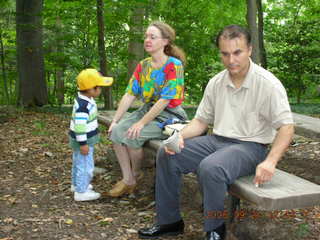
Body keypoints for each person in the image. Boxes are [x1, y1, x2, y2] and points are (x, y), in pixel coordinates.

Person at [138, 25, 295, 240]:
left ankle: (215, 230)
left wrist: (270, 161)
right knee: (166, 153)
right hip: (217, 140)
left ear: (249, 50)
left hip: (251, 147)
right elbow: (201, 122)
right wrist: (178, 137)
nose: (231, 60)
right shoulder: (216, 82)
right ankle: (170, 222)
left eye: (237, 52)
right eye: (225, 53)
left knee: (211, 168)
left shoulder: (268, 84)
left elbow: (286, 127)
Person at [108, 21, 188, 198]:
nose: (147, 40)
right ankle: (128, 179)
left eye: (152, 37)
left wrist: (140, 123)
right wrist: (115, 121)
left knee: (133, 134)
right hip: (147, 109)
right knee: (115, 133)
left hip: (169, 115)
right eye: (146, 36)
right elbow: (129, 95)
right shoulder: (143, 65)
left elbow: (165, 100)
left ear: (165, 41)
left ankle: (135, 174)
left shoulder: (174, 65)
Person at [69, 68, 113, 201]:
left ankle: (77, 185)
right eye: (99, 87)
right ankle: (81, 192)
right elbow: (80, 127)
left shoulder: (85, 100)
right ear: (91, 89)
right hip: (84, 141)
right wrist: (83, 144)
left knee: (78, 163)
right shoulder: (84, 106)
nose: (101, 89)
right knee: (86, 166)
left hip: (80, 140)